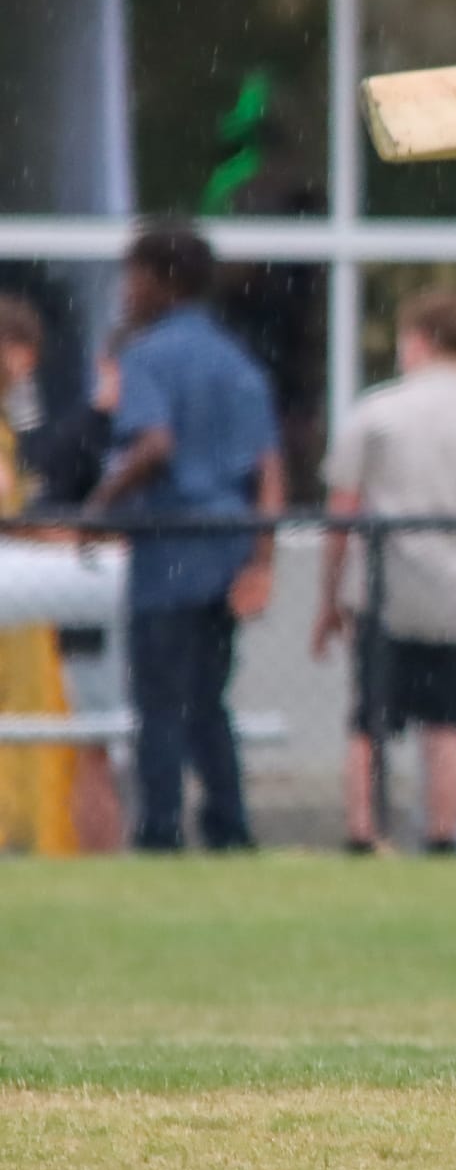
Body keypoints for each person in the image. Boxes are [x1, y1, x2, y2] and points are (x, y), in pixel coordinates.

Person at [313, 288, 456, 855]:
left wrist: (329, 596)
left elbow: (342, 510)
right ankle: (442, 838)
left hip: (387, 592)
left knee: (369, 723)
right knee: (448, 725)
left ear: (418, 342)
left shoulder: (377, 412)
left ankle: (365, 834)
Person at [84, 222, 283, 853]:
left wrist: (99, 506)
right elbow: (268, 469)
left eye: (133, 277)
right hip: (226, 544)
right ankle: (229, 826)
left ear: (160, 281)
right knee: (207, 699)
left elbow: (154, 443)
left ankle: (160, 830)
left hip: (170, 545)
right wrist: (261, 557)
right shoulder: (235, 358)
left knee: (159, 701)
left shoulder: (147, 356)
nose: (126, 292)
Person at [0, 295, 124, 852]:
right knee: (41, 722)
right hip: (20, 609)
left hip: (28, 602)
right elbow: (11, 510)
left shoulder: (19, 431)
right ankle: (31, 835)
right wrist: (66, 539)